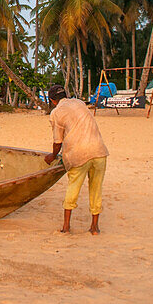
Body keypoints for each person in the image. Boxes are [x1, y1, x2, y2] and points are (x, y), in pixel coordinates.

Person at [43, 83, 108, 234]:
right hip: (99, 150)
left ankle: (66, 227)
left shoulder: (56, 112)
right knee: (96, 189)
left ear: (52, 100)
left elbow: (57, 141)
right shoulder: (79, 102)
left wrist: (52, 156)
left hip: (78, 154)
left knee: (73, 188)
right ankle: (95, 227)